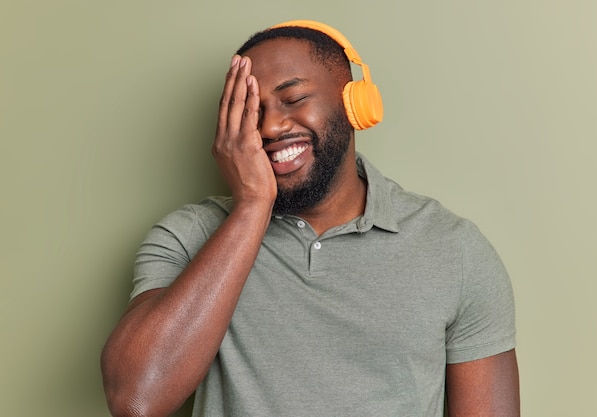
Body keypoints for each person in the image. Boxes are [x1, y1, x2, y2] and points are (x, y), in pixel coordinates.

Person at [101, 20, 519, 417]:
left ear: (356, 103)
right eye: (250, 112)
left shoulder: (453, 248)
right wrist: (250, 206)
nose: (270, 127)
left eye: (294, 98)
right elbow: (136, 400)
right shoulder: (188, 235)